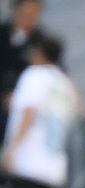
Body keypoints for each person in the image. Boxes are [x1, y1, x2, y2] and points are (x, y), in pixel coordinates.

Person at [1, 32, 75, 188]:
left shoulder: (34, 74)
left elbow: (30, 112)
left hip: (28, 164)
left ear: (41, 54)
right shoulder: (64, 82)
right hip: (53, 167)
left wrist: (11, 150)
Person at [0, 0, 45, 139]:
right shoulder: (2, 34)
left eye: (34, 13)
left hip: (24, 110)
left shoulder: (41, 41)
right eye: (26, 13)